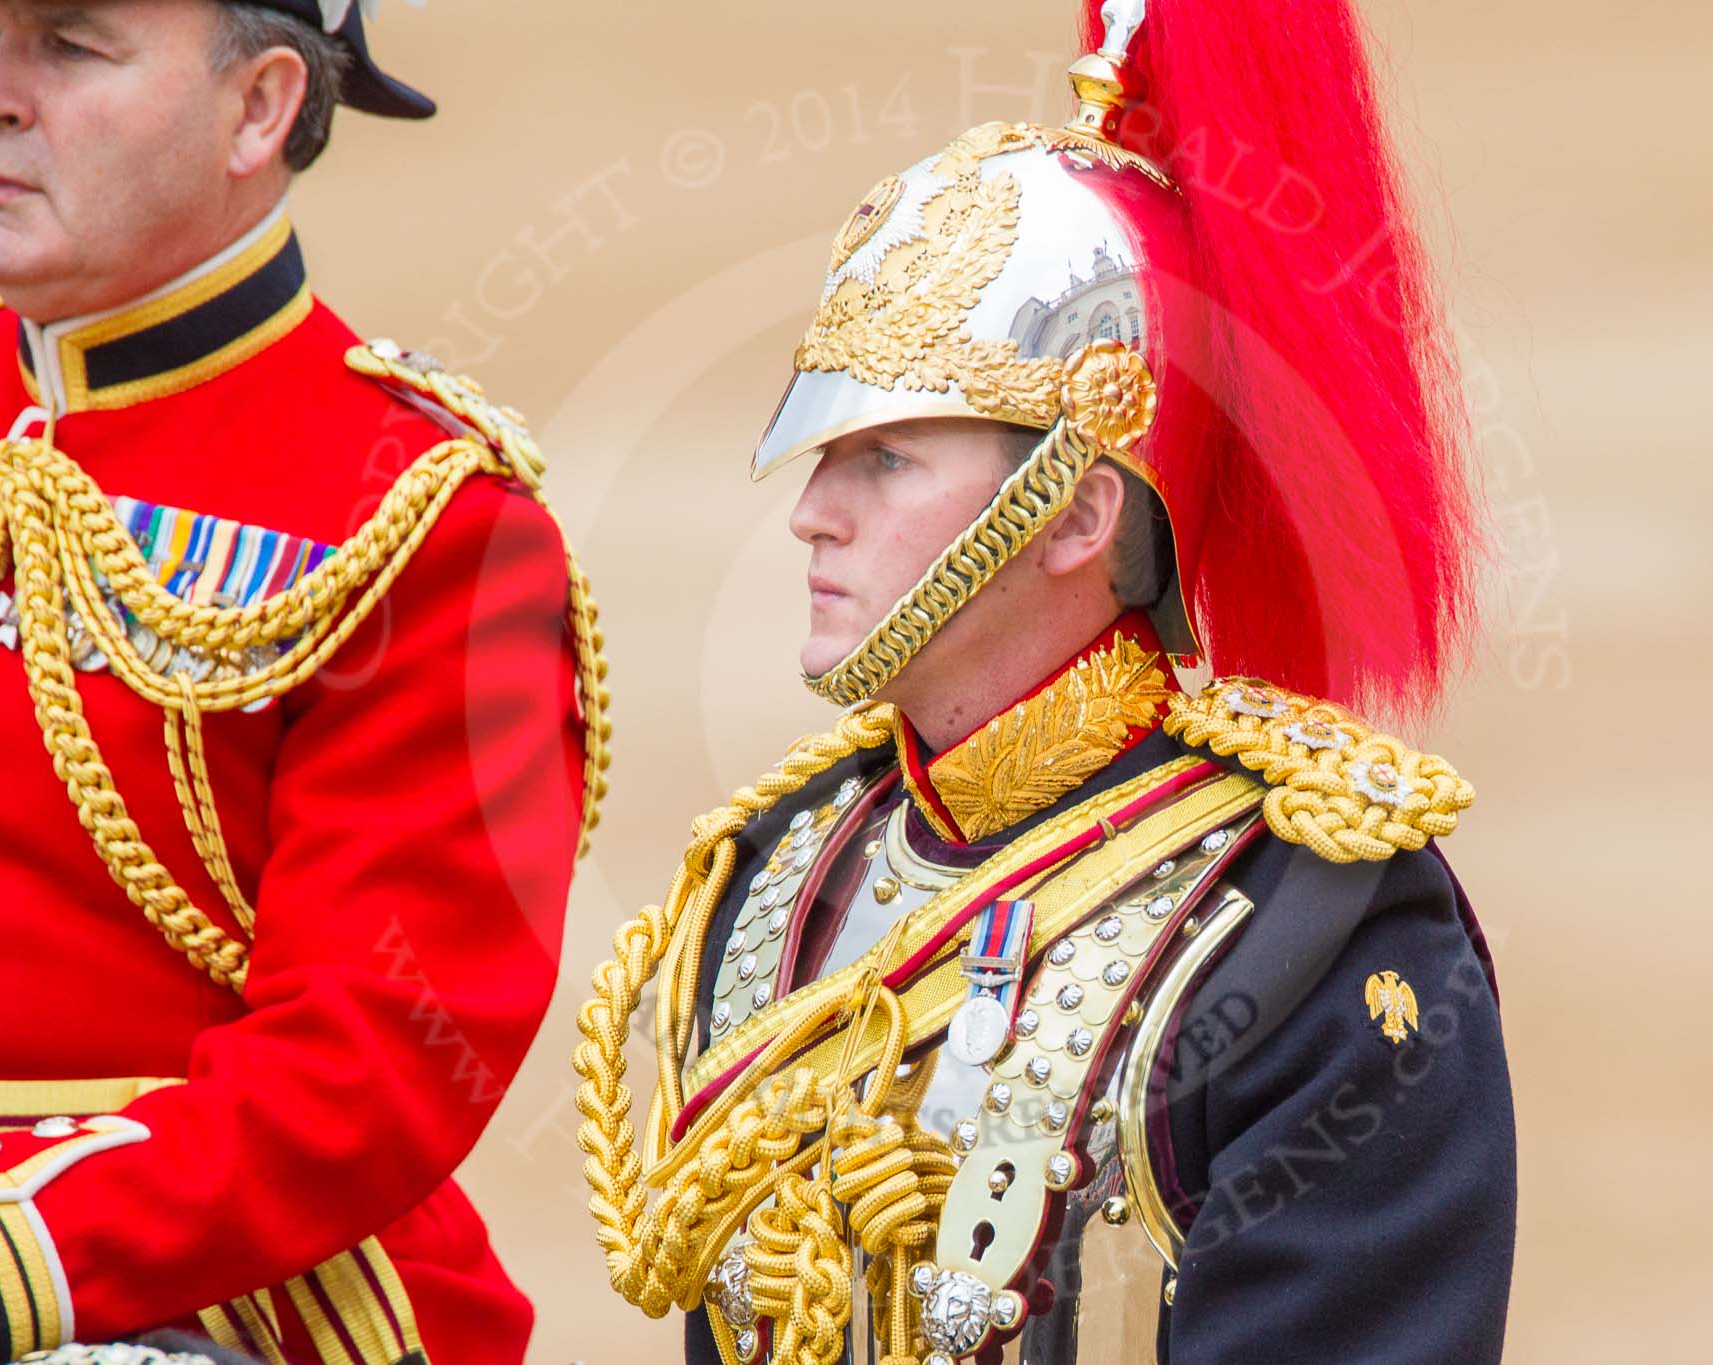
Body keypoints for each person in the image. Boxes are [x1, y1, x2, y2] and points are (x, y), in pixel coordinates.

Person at [571, 1, 1514, 1361]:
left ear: (1072, 516)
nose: (812, 514)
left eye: (885, 458)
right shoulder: (779, 877)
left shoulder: (1315, 926)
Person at [0, 2, 610, 1361]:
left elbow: (373, 1059)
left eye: (71, 45)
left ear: (259, 108)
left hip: (175, 1294)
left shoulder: (429, 522)